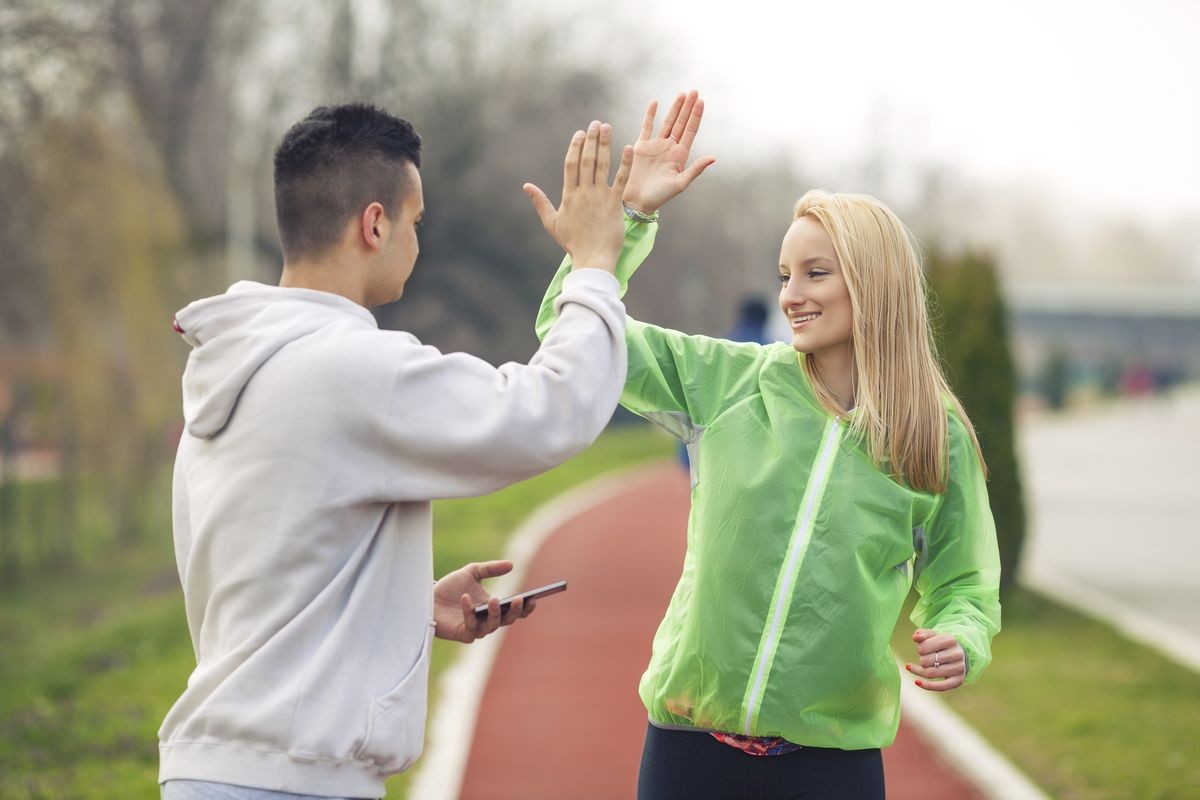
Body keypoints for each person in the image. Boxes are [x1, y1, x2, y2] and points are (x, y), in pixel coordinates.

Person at [533, 91, 1002, 799]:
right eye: (785, 275)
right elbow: (572, 336)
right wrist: (625, 226)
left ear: (873, 285)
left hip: (832, 766)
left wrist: (961, 638)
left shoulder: (933, 434)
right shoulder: (731, 380)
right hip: (690, 753)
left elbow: (965, 582)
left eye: (816, 273)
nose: (791, 296)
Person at [158, 105, 634, 799]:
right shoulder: (352, 368)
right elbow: (550, 412)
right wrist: (593, 267)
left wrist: (398, 611)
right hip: (296, 782)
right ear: (373, 224)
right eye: (416, 222)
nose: (419, 241)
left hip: (213, 770)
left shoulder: (229, 364)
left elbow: (263, 571)